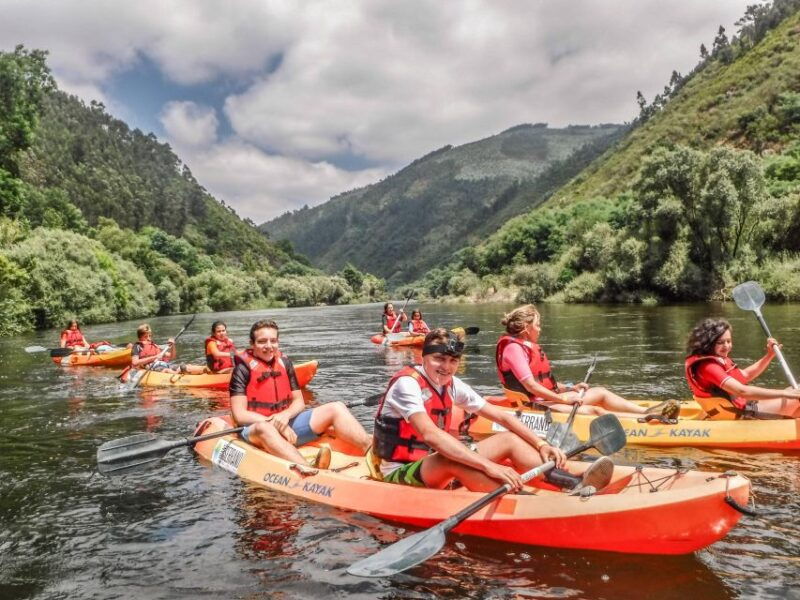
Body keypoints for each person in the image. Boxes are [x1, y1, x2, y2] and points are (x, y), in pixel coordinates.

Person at [371, 327, 615, 493]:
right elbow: (431, 435)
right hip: (400, 472)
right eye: (439, 359)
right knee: (450, 458)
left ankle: (572, 483)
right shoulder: (408, 384)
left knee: (508, 440)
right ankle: (520, 504)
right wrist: (489, 465)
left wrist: (541, 444)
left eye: (453, 361)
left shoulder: (452, 383)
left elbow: (500, 416)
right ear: (424, 358)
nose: (446, 367)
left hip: (431, 464)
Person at [496, 305, 679, 419]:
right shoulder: (514, 349)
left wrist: (569, 388)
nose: (540, 329)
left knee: (600, 393)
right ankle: (646, 420)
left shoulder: (524, 346)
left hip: (546, 400)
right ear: (527, 328)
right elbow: (531, 387)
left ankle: (645, 412)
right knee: (594, 412)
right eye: (537, 325)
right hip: (533, 407)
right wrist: (564, 400)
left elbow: (541, 382)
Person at [230, 319, 371, 468]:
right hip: (255, 429)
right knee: (264, 428)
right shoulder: (242, 370)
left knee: (337, 407)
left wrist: (285, 416)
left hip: (287, 424)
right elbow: (240, 415)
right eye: (262, 341)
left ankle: (371, 452)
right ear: (252, 344)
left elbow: (299, 402)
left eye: (273, 341)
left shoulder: (285, 363)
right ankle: (309, 469)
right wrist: (274, 423)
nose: (269, 346)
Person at [685, 317, 800, 419]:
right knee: (794, 397)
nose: (726, 346)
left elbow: (745, 375)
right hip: (739, 413)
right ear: (708, 343)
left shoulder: (715, 359)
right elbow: (742, 391)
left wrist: (769, 356)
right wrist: (786, 394)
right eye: (720, 342)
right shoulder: (708, 367)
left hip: (742, 406)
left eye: (728, 341)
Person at [131, 323, 205, 374]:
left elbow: (172, 356)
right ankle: (178, 373)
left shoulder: (154, 346)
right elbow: (134, 362)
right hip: (154, 369)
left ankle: (205, 370)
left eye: (150, 336)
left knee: (187, 366)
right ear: (139, 337)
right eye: (146, 337)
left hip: (164, 365)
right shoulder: (137, 346)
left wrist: (173, 346)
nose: (149, 339)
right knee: (167, 370)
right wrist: (155, 357)